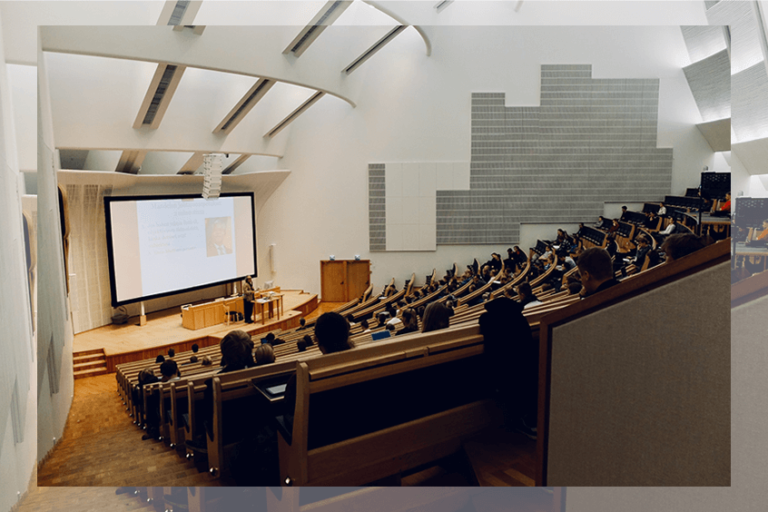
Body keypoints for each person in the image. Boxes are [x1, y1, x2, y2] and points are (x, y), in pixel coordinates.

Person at [479, 298, 538, 439]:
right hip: (526, 365)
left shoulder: (489, 321)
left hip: (505, 371)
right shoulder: (520, 319)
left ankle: (522, 423)